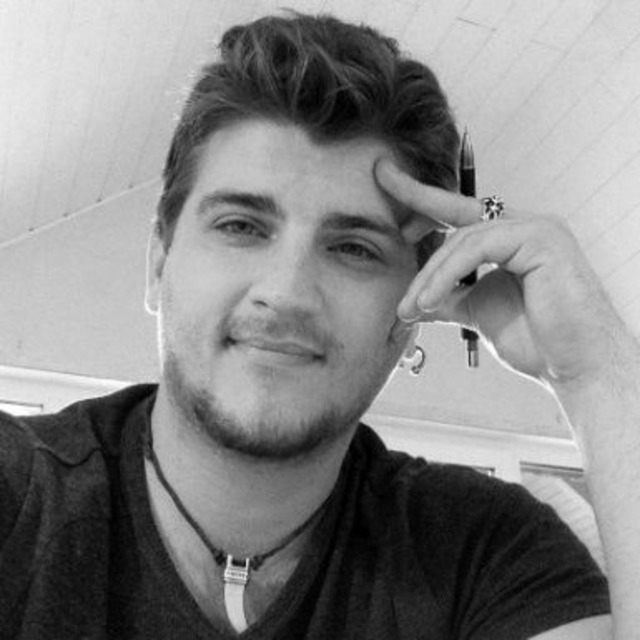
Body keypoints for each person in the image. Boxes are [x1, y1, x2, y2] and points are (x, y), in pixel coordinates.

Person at [2, 10, 638, 639]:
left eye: (354, 248)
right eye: (241, 226)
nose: (286, 294)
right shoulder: (19, 493)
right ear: (158, 263)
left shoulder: (485, 552)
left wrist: (596, 373)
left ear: (420, 303)